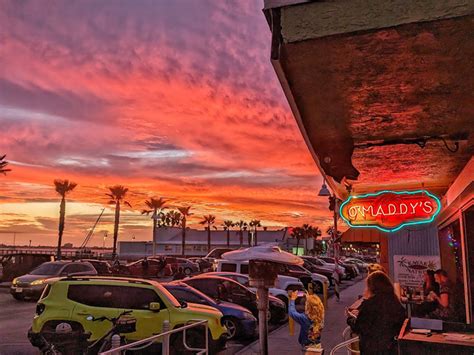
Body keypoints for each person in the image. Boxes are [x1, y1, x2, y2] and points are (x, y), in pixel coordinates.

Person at [347, 271, 406, 355]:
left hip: (371, 348)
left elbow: (358, 328)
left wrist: (350, 318)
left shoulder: (369, 304)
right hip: (390, 347)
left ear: (372, 287)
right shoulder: (395, 302)